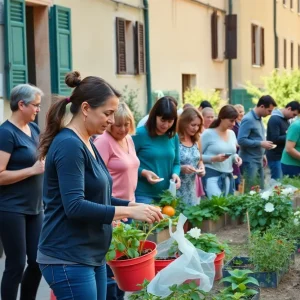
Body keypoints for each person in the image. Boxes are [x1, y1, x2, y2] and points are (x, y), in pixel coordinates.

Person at [37, 71, 162, 299]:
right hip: (67, 257)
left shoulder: (88, 142)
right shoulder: (69, 145)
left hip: (89, 255)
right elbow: (74, 206)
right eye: (108, 113)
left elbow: (96, 196)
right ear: (86, 108)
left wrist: (131, 204)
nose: (112, 121)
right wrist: (126, 211)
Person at [0, 84, 45, 300]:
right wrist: (32, 170)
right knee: (16, 265)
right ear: (21, 104)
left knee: (38, 262)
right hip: (11, 209)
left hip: (36, 208)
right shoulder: (5, 134)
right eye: (35, 105)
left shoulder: (34, 130)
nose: (38, 109)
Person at [132, 96, 181, 204]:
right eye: (162, 120)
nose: (166, 125)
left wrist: (175, 174)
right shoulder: (139, 134)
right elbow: (128, 163)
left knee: (173, 221)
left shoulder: (173, 137)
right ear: (155, 116)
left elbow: (176, 163)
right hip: (143, 194)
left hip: (166, 195)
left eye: (170, 121)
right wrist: (143, 173)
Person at [94, 102, 139, 203]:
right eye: (118, 125)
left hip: (130, 203)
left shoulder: (128, 139)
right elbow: (96, 177)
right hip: (112, 205)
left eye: (126, 124)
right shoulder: (103, 141)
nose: (123, 129)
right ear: (110, 124)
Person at [201, 105, 242, 198]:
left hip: (228, 175)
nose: (234, 124)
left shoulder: (231, 134)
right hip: (211, 175)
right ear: (222, 118)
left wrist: (236, 157)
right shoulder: (208, 134)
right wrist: (213, 158)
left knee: (226, 207)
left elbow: (231, 152)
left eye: (235, 120)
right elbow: (196, 156)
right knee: (218, 205)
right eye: (231, 121)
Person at [238, 95, 277, 191]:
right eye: (269, 111)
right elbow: (241, 140)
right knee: (250, 190)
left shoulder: (259, 118)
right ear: (262, 106)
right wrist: (260, 144)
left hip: (258, 160)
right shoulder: (248, 119)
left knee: (260, 190)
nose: (270, 113)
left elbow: (257, 137)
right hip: (249, 161)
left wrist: (263, 154)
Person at [177, 108, 205, 206]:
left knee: (192, 219)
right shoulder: (175, 139)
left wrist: (202, 168)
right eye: (193, 125)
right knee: (179, 220)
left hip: (193, 189)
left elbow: (200, 159)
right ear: (184, 123)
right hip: (177, 189)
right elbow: (167, 164)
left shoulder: (197, 140)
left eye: (198, 125)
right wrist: (181, 168)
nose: (196, 128)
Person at [266, 101, 300, 180]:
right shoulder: (275, 119)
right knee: (277, 182)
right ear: (289, 108)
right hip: (275, 156)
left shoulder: (286, 120)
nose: (293, 117)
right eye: (294, 114)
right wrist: (291, 136)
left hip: (281, 155)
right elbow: (274, 138)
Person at [232, 104, 245, 190]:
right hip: (235, 151)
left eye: (242, 111)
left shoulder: (241, 123)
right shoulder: (233, 125)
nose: (241, 114)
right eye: (239, 112)